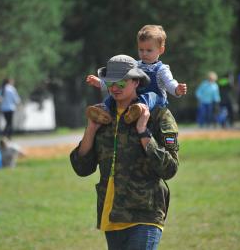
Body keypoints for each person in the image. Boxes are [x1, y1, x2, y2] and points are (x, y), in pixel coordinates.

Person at [70, 55, 179, 250]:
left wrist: (143, 132)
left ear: (136, 81)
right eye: (111, 82)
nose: (114, 87)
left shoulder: (158, 115)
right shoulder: (104, 116)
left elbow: (169, 169)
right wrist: (91, 129)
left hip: (145, 213)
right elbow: (82, 167)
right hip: (111, 213)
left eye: (121, 82)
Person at [85, 25, 187, 124]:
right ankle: (104, 111)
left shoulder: (161, 69)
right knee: (115, 93)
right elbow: (120, 79)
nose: (144, 53)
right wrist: (100, 82)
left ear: (161, 50)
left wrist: (176, 89)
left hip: (156, 103)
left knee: (151, 95)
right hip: (134, 100)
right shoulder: (135, 65)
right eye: (141, 50)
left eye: (149, 50)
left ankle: (138, 109)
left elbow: (170, 82)